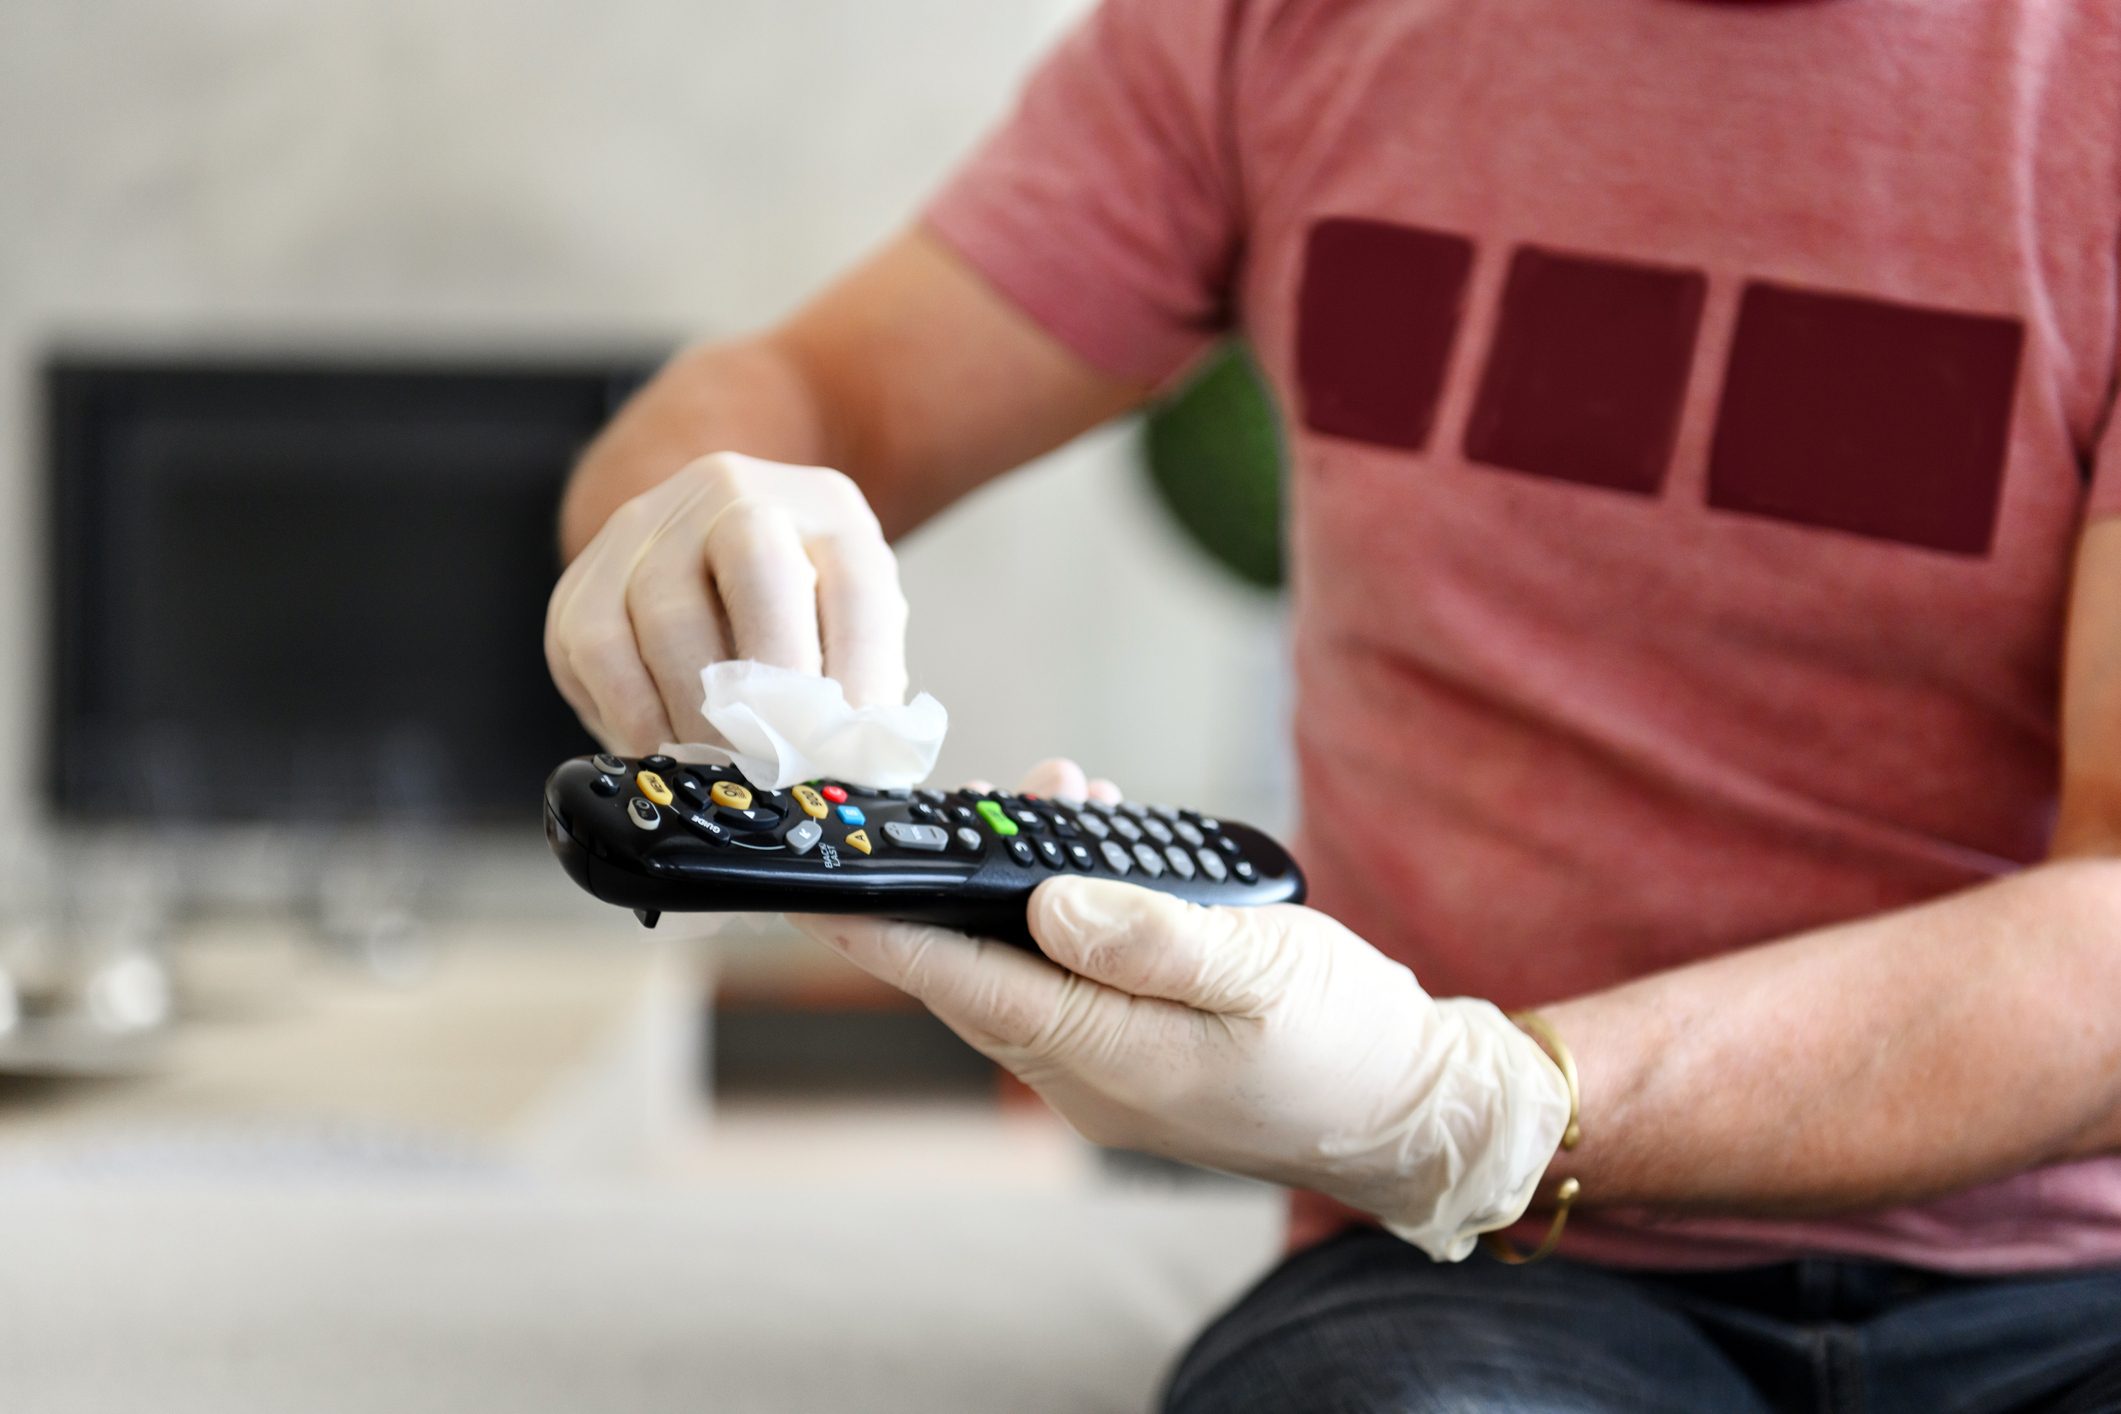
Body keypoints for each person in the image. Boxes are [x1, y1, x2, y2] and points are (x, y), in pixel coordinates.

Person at [544, 1, 2121, 1407]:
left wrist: (1484, 1096)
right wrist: (694, 509)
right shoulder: (1278, 27)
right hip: (1479, 1280)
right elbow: (816, 386)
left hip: (2070, 1286)